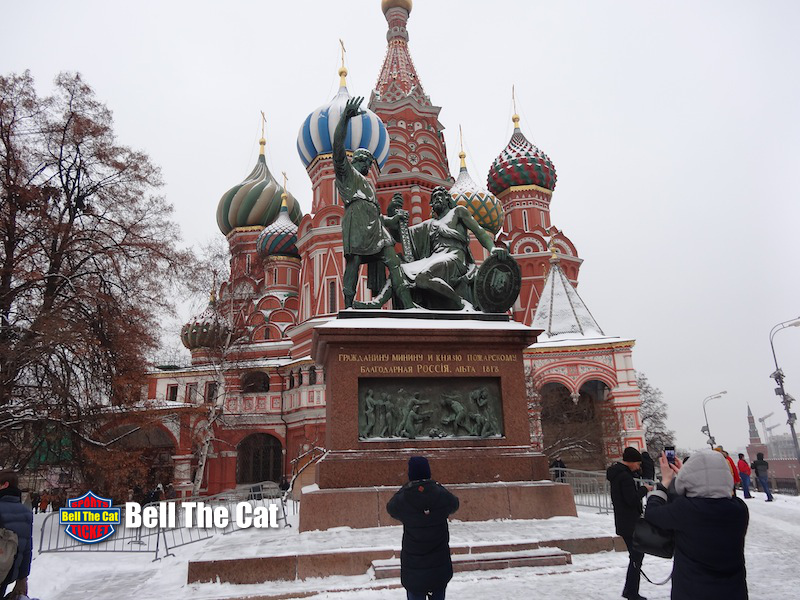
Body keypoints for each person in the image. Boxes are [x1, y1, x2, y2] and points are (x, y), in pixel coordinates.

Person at [333, 96, 413, 310]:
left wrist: (393, 219)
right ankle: (348, 304)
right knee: (355, 262)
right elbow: (338, 148)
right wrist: (345, 119)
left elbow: (377, 215)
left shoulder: (368, 185)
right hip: (356, 222)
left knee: (394, 261)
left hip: (376, 228)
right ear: (359, 160)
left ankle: (406, 303)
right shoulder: (347, 174)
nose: (370, 167)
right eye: (368, 162)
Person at [644, 449, 749, 599]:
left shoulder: (686, 510)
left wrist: (665, 483)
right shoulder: (739, 509)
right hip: (733, 592)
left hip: (692, 591)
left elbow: (652, 514)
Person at [387, 456, 459, 600]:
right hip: (439, 568)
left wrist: (406, 488)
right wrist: (436, 485)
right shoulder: (440, 494)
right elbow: (454, 504)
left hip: (414, 570)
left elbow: (391, 507)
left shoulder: (405, 498)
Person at [607, 447, 651, 600]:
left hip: (624, 522)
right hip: (630, 523)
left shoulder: (618, 474)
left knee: (636, 556)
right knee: (636, 557)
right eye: (638, 463)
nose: (639, 467)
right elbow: (631, 500)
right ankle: (631, 592)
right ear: (631, 462)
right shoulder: (624, 477)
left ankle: (630, 590)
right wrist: (644, 490)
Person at [0, 471, 33, 599]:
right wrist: (22, 579)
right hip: (8, 571)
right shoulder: (26, 512)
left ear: (5, 485)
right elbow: (27, 549)